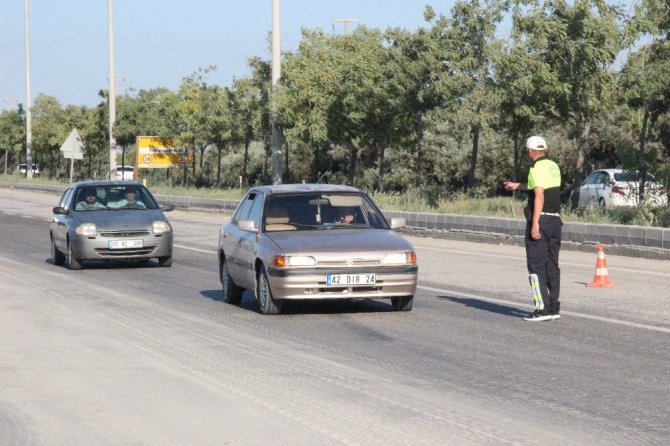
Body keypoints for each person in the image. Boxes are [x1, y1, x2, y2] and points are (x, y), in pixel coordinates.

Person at [504, 136, 562, 322]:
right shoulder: (553, 166)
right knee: (551, 265)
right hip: (555, 222)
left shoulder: (535, 168)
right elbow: (541, 187)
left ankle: (541, 309)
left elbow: (539, 195)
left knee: (536, 266)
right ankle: (553, 307)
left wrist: (535, 222)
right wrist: (518, 186)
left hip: (541, 220)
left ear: (530, 151)